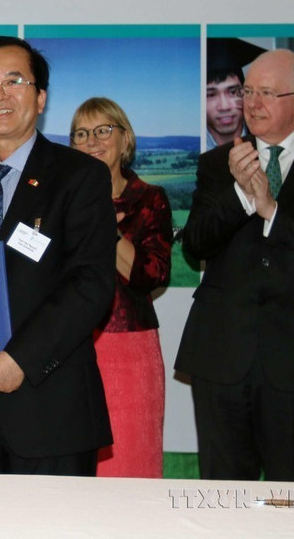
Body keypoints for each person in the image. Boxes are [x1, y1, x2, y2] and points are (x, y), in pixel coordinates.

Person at [0, 36, 115, 475]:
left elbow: (90, 285)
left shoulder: (80, 176)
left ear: (41, 97)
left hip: (48, 409)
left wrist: (21, 360)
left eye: (14, 81)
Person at [176, 49, 294, 481]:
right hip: (221, 359)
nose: (250, 104)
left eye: (267, 93)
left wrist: (274, 211)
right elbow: (195, 244)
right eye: (248, 92)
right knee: (222, 496)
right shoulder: (216, 164)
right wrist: (240, 197)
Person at [69, 97, 172, 478]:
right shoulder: (64, 199)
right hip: (69, 347)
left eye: (102, 130)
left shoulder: (150, 199)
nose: (92, 141)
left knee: (131, 466)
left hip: (129, 350)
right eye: (82, 134)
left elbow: (153, 274)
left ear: (124, 138)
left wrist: (107, 232)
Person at [205, 38, 263, 149]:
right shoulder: (193, 153)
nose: (225, 106)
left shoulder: (271, 143)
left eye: (232, 92)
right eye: (211, 95)